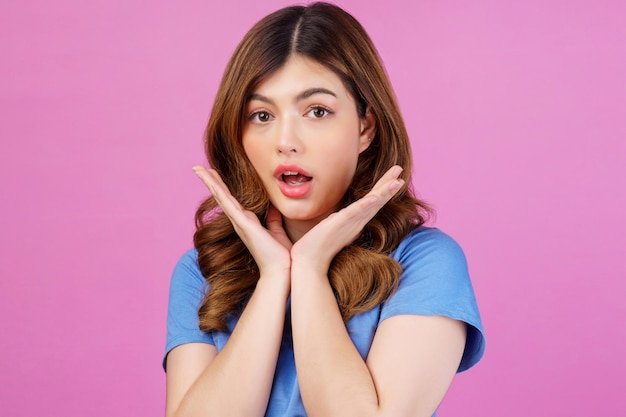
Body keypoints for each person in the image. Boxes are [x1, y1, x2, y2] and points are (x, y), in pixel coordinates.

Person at [163, 2, 485, 416]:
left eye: (317, 111)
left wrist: (311, 269)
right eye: (261, 115)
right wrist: (275, 276)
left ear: (365, 127)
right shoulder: (202, 271)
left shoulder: (426, 263)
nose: (286, 140)